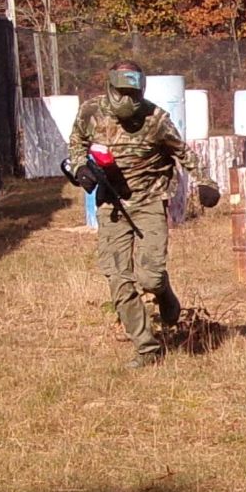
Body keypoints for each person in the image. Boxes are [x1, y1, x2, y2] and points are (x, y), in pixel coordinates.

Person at [68, 60, 221, 368]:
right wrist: (81, 168)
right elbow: (77, 143)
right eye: (121, 92)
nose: (127, 100)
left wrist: (206, 183)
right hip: (111, 205)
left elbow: (184, 153)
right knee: (119, 280)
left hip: (149, 202)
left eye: (133, 94)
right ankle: (146, 348)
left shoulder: (156, 119)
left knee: (150, 277)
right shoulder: (91, 112)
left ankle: (163, 292)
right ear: (110, 87)